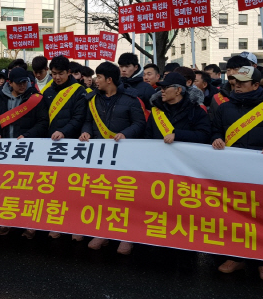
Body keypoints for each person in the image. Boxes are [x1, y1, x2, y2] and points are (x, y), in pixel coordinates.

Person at [211, 65, 263, 282]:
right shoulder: (224, 108)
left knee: (261, 217)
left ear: (256, 85)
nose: (236, 86)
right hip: (232, 173)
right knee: (233, 216)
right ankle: (235, 257)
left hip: (262, 173)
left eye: (242, 83)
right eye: (235, 82)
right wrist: (216, 138)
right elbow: (215, 130)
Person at [79, 61, 147, 254]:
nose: (95, 81)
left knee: (123, 195)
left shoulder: (131, 99)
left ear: (109, 79)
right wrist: (86, 132)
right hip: (100, 155)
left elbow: (139, 123)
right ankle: (103, 232)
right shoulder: (92, 99)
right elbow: (87, 121)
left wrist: (126, 133)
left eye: (98, 77)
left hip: (125, 156)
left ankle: (127, 236)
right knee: (102, 194)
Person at [0, 67, 49, 238]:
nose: (23, 85)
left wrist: (28, 135)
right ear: (10, 83)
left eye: (25, 82)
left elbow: (43, 122)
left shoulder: (36, 99)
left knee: (27, 187)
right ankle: (6, 221)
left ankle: (29, 224)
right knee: (6, 187)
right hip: (5, 150)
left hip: (27, 149)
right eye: (19, 83)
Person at [42, 55, 88, 239]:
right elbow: (43, 118)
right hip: (50, 145)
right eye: (53, 74)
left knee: (72, 188)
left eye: (60, 74)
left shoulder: (79, 91)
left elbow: (79, 118)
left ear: (69, 72)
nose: (57, 77)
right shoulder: (47, 92)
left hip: (71, 144)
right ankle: (55, 222)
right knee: (53, 187)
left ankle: (75, 224)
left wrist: (64, 131)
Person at [145, 72, 211, 144]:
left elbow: (204, 135)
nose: (162, 90)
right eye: (161, 87)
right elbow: (147, 136)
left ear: (178, 90)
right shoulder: (156, 110)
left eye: (165, 87)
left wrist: (177, 135)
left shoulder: (195, 111)